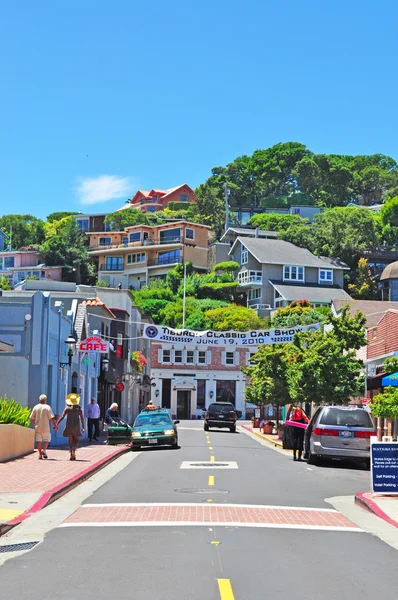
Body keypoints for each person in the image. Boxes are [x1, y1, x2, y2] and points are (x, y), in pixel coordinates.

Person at [57, 393, 85, 460]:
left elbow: (62, 416)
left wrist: (57, 423)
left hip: (69, 425)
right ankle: (74, 451)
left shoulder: (67, 408)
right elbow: (82, 418)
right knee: (76, 439)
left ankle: (70, 450)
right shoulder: (79, 409)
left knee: (70, 439)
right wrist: (83, 427)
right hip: (76, 426)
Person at [30, 394, 58, 459]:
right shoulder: (47, 407)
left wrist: (35, 424)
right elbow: (51, 418)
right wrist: (55, 425)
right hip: (46, 427)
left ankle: (40, 454)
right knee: (47, 440)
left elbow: (32, 418)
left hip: (38, 427)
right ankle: (44, 450)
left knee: (38, 441)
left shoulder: (36, 407)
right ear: (45, 400)